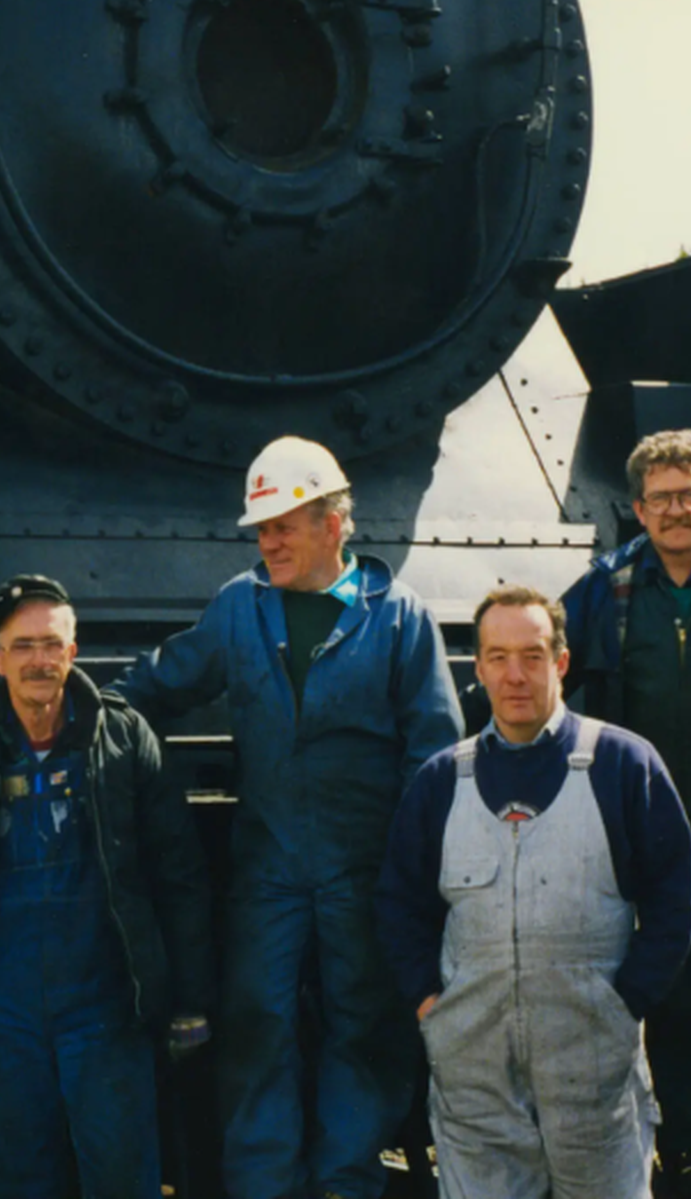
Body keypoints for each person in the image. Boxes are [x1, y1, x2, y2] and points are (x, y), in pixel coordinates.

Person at [112, 435, 463, 1199]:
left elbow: (432, 759)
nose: (267, 541)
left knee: (364, 1026)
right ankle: (263, 1184)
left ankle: (347, 1179)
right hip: (267, 866)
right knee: (256, 1024)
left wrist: (413, 876)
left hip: (365, 870)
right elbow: (158, 687)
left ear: (334, 524)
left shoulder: (399, 618)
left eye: (283, 525)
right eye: (261, 529)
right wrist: (79, 717)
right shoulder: (241, 607)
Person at [377, 585, 691, 1199]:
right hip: (472, 1065)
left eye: (532, 655)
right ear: (478, 668)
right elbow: (400, 902)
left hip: (592, 1066)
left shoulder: (622, 764)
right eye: (497, 657)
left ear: (561, 662)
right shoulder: (443, 779)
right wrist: (429, 1003)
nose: (515, 675)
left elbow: (675, 896)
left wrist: (627, 1000)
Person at [0, 574, 213, 1199]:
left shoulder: (124, 742)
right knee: (13, 1177)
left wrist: (190, 1001)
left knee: (122, 1174)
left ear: (73, 653)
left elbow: (179, 878)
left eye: (51, 645)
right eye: (22, 647)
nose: (39, 661)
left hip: (104, 1011)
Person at [563, 428, 691, 1197]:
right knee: (670, 986)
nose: (675, 510)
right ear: (637, 508)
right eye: (660, 498)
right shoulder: (603, 593)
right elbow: (551, 679)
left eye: (689, 495)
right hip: (646, 829)